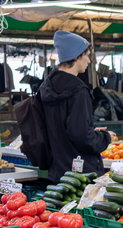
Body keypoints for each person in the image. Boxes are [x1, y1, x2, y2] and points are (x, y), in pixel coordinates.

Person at [40, 30, 115, 183]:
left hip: (56, 171)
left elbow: (62, 129)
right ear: (76, 56)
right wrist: (105, 138)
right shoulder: (78, 90)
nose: (89, 61)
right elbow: (81, 136)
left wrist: (89, 130)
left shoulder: (46, 87)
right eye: (86, 55)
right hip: (79, 176)